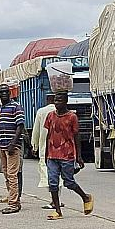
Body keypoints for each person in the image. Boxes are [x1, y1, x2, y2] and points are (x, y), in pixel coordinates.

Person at [44, 91, 94, 220]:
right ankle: (57, 210)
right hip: (52, 155)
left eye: (59, 100)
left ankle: (85, 197)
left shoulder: (72, 117)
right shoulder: (50, 116)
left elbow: (76, 136)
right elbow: (48, 135)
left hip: (67, 154)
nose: (57, 103)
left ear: (66, 102)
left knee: (69, 182)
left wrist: (79, 156)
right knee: (52, 182)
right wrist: (46, 153)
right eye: (55, 100)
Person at [0, 84, 25, 214]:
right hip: (2, 145)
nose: (4, 94)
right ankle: (12, 198)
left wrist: (13, 143)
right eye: (1, 92)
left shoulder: (16, 106)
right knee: (7, 174)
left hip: (12, 146)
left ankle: (14, 204)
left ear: (10, 93)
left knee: (12, 175)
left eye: (6, 92)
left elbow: (20, 126)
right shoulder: (2, 108)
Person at [31, 93, 55, 207]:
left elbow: (36, 131)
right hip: (60, 148)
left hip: (45, 148)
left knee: (47, 173)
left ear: (47, 100)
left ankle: (54, 200)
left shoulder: (41, 111)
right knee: (57, 175)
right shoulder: (64, 111)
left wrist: (34, 146)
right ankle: (57, 199)